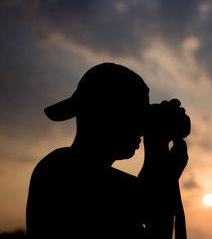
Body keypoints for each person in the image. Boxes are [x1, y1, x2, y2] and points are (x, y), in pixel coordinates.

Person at [26, 63, 189, 238]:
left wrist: (162, 164)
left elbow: (151, 215)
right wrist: (158, 151)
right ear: (105, 114)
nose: (141, 128)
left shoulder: (64, 166)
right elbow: (153, 210)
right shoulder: (62, 168)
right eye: (134, 115)